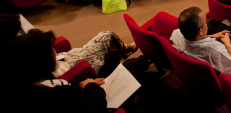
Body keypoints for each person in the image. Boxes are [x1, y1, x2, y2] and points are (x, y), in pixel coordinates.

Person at [1, 29, 149, 113]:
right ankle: (145, 58)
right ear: (44, 61)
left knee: (131, 65)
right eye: (51, 49)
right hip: (102, 106)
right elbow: (95, 106)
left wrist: (83, 85)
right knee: (133, 65)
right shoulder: (57, 97)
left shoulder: (25, 84)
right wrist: (91, 87)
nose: (55, 50)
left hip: (83, 94)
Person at [169, 7, 231, 81]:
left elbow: (193, 40)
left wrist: (211, 36)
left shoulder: (175, 35)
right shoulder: (216, 50)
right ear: (200, 31)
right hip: (224, 60)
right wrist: (228, 45)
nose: (207, 22)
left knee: (226, 21)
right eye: (205, 21)